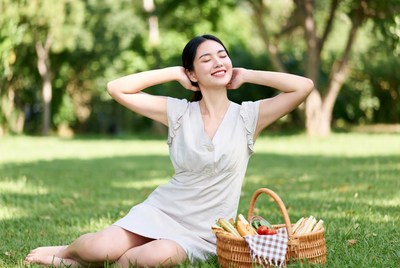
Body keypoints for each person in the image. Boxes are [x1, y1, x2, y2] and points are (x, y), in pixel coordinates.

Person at [24, 34, 313, 267]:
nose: (218, 62)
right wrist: (173, 73)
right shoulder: (177, 113)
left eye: (222, 55)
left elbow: (303, 86)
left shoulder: (250, 117)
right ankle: (67, 251)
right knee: (98, 246)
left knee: (153, 257)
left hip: (204, 232)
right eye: (206, 59)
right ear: (193, 74)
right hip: (163, 210)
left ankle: (87, 264)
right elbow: (116, 88)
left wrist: (247, 74)